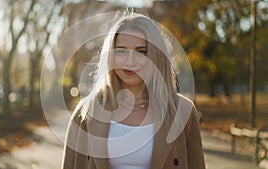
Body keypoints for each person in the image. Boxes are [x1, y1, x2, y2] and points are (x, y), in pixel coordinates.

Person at [61, 12, 206, 169]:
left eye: (141, 51)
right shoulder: (87, 111)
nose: (130, 62)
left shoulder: (183, 111)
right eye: (121, 50)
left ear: (157, 56)